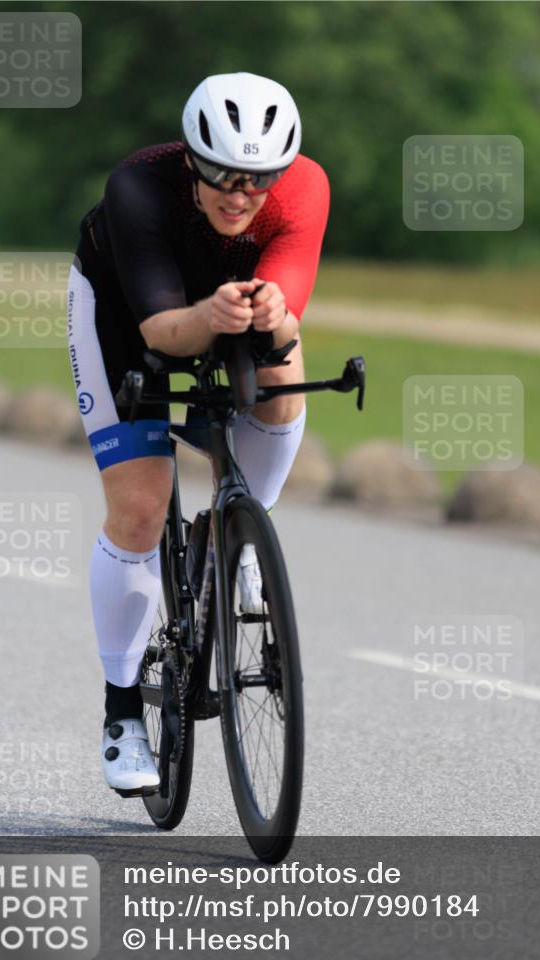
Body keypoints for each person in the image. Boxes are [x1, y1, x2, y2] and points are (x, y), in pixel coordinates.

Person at [67, 72, 329, 795]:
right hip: (128, 316)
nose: (241, 195)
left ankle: (241, 528)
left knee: (282, 374)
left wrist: (272, 314)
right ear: (190, 159)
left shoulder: (304, 188)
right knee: (139, 509)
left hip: (226, 308)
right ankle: (123, 710)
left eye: (260, 180)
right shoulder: (138, 187)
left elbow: (287, 316)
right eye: (222, 175)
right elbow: (162, 331)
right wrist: (211, 316)